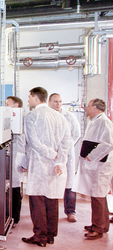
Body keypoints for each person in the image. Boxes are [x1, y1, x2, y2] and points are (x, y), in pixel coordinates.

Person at [21, 87, 70, 247]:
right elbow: (66, 141)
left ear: (35, 98)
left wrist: (51, 154)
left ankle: (40, 236)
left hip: (39, 161)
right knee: (51, 198)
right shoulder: (59, 116)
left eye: (29, 97)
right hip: (54, 164)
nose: (28, 100)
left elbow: (33, 142)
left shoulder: (32, 116)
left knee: (37, 200)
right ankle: (50, 234)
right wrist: (59, 160)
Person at [72, 99, 113, 240]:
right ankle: (102, 224)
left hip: (100, 166)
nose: (86, 108)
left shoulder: (104, 122)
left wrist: (91, 156)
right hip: (95, 166)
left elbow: (108, 143)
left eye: (88, 106)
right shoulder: (95, 121)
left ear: (95, 107)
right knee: (98, 196)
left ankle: (98, 227)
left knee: (98, 197)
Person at [48, 93, 81, 222]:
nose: (58, 104)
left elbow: (76, 134)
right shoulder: (47, 116)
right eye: (55, 101)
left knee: (69, 183)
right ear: (49, 102)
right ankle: (50, 211)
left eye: (60, 102)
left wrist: (64, 148)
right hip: (51, 154)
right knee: (50, 182)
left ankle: (70, 211)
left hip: (67, 153)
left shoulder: (69, 116)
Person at [6, 96, 26, 227]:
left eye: (8, 104)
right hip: (11, 155)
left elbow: (24, 142)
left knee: (15, 187)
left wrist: (24, 162)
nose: (5, 106)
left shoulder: (21, 119)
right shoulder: (11, 118)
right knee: (10, 186)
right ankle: (9, 214)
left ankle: (15, 217)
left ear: (16, 105)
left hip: (17, 155)